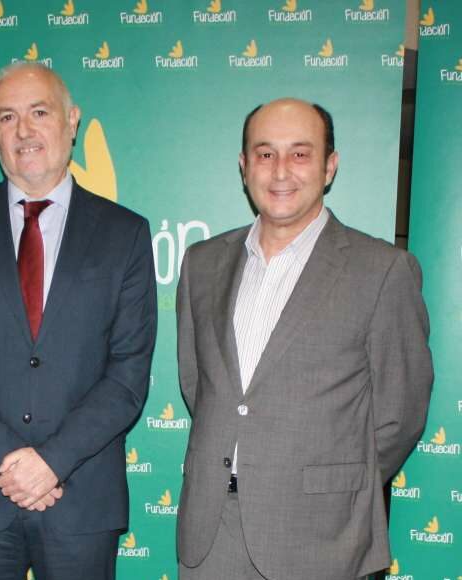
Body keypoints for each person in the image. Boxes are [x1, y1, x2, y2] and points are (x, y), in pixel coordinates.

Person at [0, 62, 157, 580]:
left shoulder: (126, 234)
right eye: (8, 117)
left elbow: (128, 374)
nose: (24, 130)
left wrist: (52, 462)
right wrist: (8, 457)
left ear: (72, 121)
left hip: (82, 498)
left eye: (39, 113)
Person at [176, 98, 433, 579]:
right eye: (265, 153)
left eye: (300, 153)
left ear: (329, 166)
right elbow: (200, 386)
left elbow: (400, 415)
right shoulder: (202, 263)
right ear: (244, 166)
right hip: (212, 533)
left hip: (321, 537)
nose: (280, 171)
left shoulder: (382, 270)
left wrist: (330, 487)